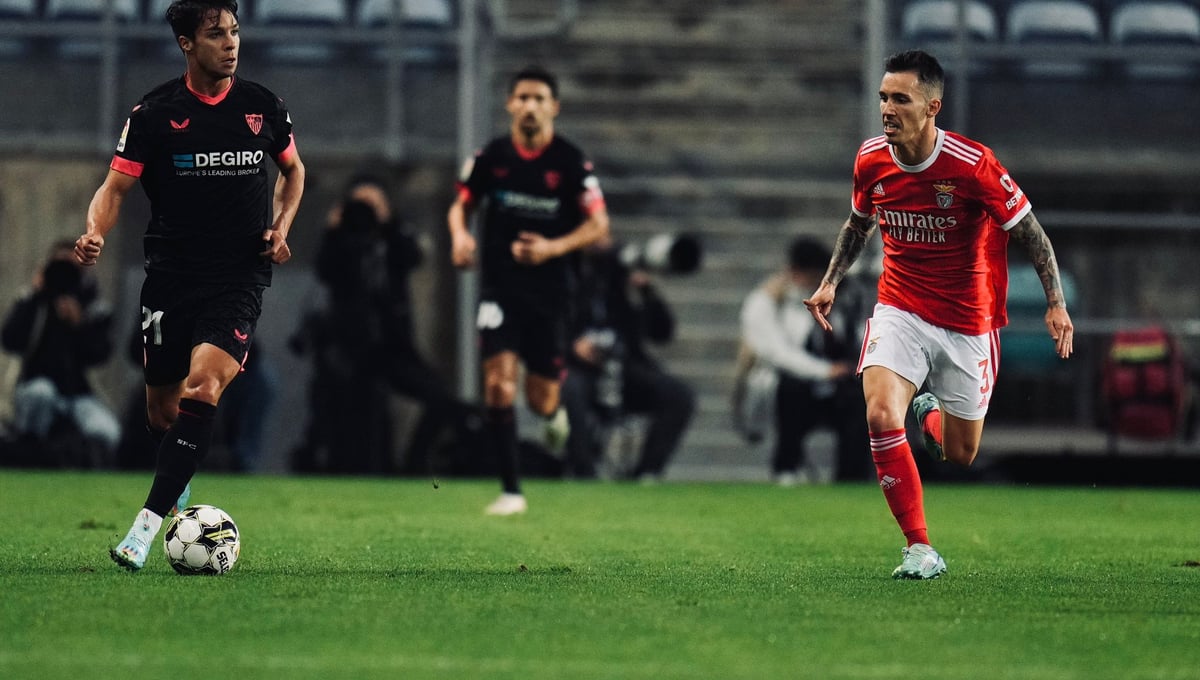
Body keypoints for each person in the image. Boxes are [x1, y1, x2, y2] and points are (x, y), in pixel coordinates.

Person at [803, 50, 1074, 580]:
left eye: (900, 99)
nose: (887, 109)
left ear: (932, 107)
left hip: (968, 322)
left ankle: (929, 413)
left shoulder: (972, 165)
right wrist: (831, 281)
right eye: (883, 97)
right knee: (880, 414)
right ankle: (919, 547)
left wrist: (1057, 303)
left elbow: (1031, 232)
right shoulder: (871, 159)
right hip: (900, 307)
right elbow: (858, 224)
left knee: (960, 452)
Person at [75, 0, 305, 571]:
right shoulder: (155, 114)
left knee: (204, 388)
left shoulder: (262, 106)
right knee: (163, 412)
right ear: (186, 43)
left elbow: (293, 170)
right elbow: (114, 188)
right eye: (216, 34)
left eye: (235, 32)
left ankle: (144, 530)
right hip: (172, 278)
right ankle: (179, 493)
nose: (231, 43)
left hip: (238, 278)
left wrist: (280, 226)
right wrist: (94, 232)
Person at [448, 65, 610, 515]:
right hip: (499, 289)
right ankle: (511, 491)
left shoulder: (571, 162)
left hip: (551, 294)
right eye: (522, 97)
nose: (530, 106)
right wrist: (460, 236)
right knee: (498, 386)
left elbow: (599, 223)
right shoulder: (491, 157)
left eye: (539, 99)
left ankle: (554, 414)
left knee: (541, 400)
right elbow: (461, 206)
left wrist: (551, 248)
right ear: (510, 104)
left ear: (554, 107)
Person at [290, 174, 478, 475]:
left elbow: (413, 256)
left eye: (374, 203)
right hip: (351, 349)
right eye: (361, 203)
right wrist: (334, 230)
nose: (366, 211)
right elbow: (325, 271)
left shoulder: (394, 238)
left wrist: (388, 224)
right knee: (356, 415)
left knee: (440, 397)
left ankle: (414, 465)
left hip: (393, 345)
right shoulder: (342, 240)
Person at [737, 236, 871, 485]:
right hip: (789, 385)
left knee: (860, 400)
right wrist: (825, 371)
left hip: (837, 384)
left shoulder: (845, 300)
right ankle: (786, 468)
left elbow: (861, 336)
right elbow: (776, 352)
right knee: (792, 391)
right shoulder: (768, 300)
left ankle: (851, 478)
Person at [560, 235, 696, 481]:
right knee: (571, 388)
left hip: (626, 368)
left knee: (679, 395)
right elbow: (548, 325)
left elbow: (662, 333)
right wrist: (572, 346)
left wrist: (646, 291)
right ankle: (583, 471)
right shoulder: (568, 275)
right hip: (582, 369)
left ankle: (647, 473)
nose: (601, 242)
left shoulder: (623, 278)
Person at [1, 240, 121, 466]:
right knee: (41, 393)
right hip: (35, 387)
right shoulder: (33, 301)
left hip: (78, 394)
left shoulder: (92, 305)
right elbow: (10, 341)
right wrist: (34, 295)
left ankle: (78, 463)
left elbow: (101, 354)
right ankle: (29, 456)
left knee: (107, 431)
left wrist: (79, 324)